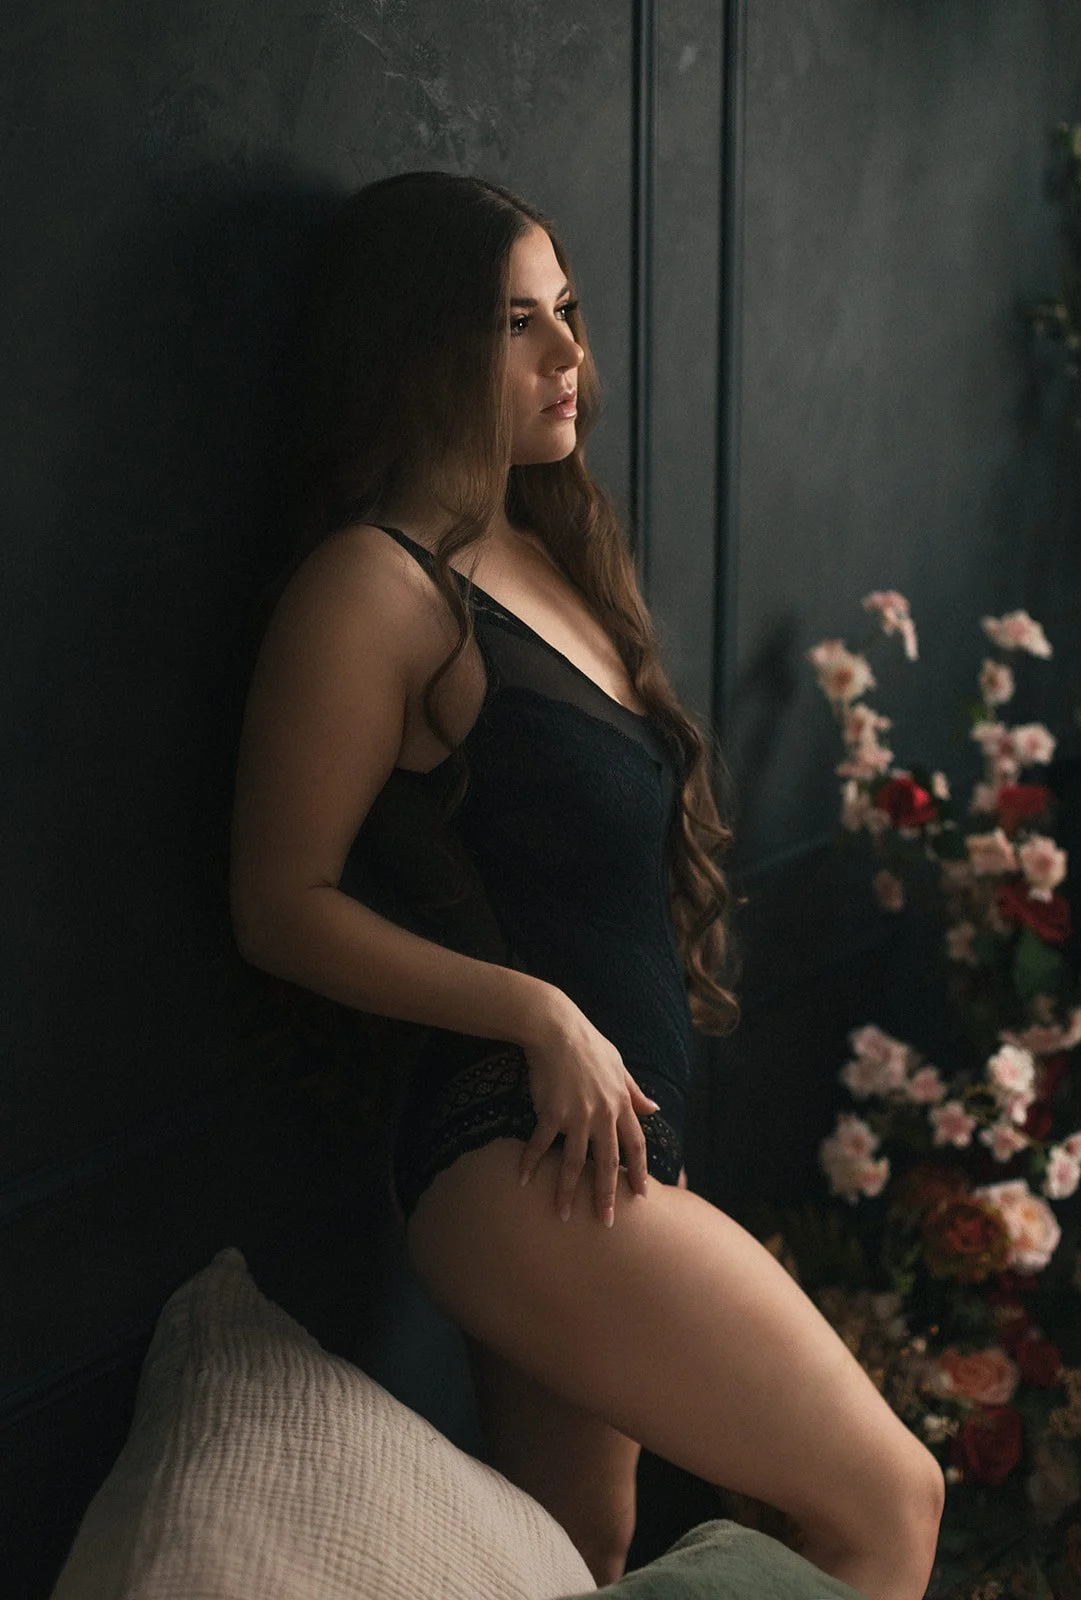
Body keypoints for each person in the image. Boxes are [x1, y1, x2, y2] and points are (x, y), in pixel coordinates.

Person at [229, 170, 944, 1599]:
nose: (570, 357)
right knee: (890, 1498)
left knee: (581, 1559)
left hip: (603, 1149)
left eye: (568, 315)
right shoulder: (375, 589)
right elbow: (279, 898)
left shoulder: (540, 542)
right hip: (517, 1149)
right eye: (518, 325)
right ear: (419, 346)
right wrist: (540, 1016)